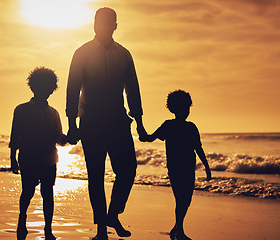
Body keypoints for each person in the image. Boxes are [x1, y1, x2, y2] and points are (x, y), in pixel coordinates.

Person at [65, 7, 147, 240]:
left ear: (115, 26)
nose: (100, 26)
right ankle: (102, 230)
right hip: (91, 120)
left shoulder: (124, 54)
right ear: (93, 25)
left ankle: (113, 214)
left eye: (106, 22)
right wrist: (72, 123)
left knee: (128, 169)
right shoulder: (81, 53)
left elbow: (133, 89)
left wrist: (139, 121)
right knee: (96, 176)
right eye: (97, 22)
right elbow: (72, 89)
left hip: (118, 119)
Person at [140, 90, 211, 240]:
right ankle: (180, 231)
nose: (186, 111)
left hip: (189, 168)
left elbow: (198, 148)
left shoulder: (192, 127)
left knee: (186, 200)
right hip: (175, 168)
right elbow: (151, 138)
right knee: (180, 199)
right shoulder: (168, 126)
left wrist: (207, 167)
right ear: (174, 109)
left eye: (187, 108)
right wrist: (142, 132)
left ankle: (177, 227)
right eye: (183, 108)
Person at [9, 67, 67, 240]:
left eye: (49, 87)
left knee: (47, 193)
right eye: (43, 86)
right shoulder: (21, 110)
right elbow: (15, 136)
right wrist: (12, 159)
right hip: (28, 157)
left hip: (49, 159)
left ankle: (48, 229)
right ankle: (22, 220)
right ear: (34, 87)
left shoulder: (54, 113)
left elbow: (59, 138)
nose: (46, 91)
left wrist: (71, 138)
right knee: (27, 191)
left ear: (52, 89)